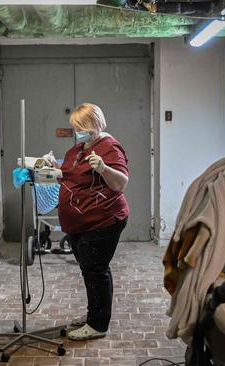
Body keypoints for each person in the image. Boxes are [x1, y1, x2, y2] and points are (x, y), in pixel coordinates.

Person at [43, 103, 129, 341]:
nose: (77, 132)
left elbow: (120, 183)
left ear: (95, 125)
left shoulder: (109, 147)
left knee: (95, 270)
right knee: (91, 270)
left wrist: (103, 168)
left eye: (81, 127)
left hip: (102, 220)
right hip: (80, 222)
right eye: (75, 128)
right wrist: (55, 168)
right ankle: (95, 315)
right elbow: (70, 175)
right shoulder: (79, 149)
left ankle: (98, 324)